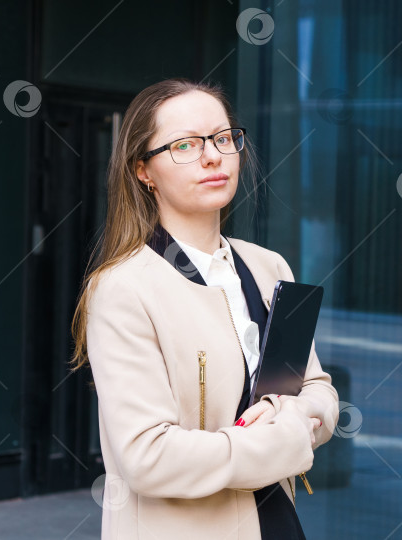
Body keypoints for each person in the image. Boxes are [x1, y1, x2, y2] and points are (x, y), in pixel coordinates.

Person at [69, 78, 340, 539]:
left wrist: (283, 409)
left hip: (276, 522)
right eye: (185, 145)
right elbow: (149, 458)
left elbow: (318, 391)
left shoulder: (267, 266)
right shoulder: (122, 289)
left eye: (222, 138)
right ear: (143, 171)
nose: (213, 156)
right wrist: (286, 436)